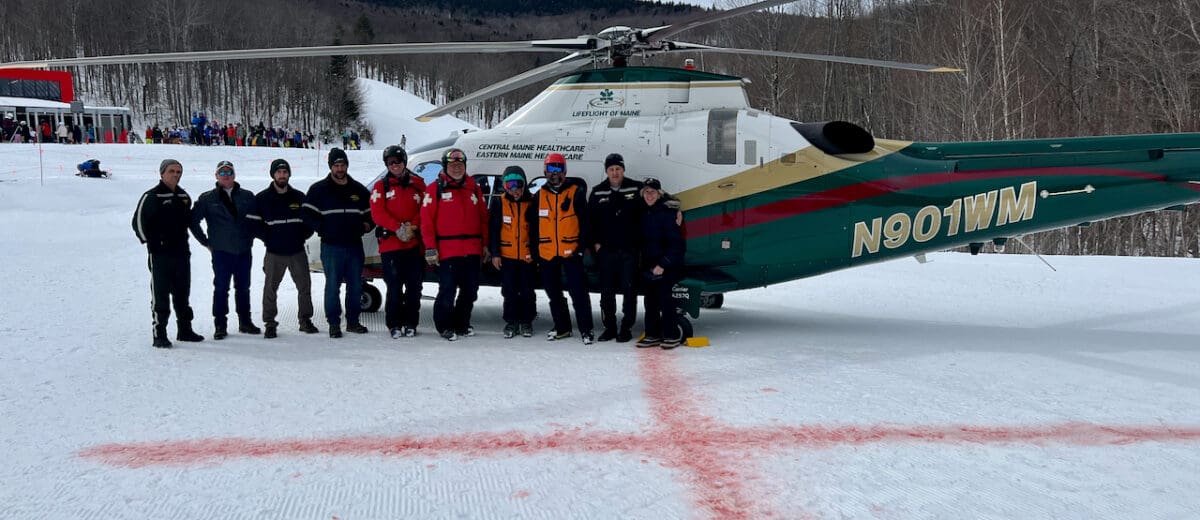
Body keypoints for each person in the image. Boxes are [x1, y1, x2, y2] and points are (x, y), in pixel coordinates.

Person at [132, 159, 205, 348]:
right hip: (160, 255)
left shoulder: (183, 196)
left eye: (179, 172)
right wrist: (152, 244)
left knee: (182, 293)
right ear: (162, 173)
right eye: (171, 171)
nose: (175, 175)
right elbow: (138, 222)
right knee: (161, 294)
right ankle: (160, 333)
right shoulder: (152, 196)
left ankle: (185, 329)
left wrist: (205, 241)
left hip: (182, 253)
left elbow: (189, 222)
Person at [303, 148, 374, 338]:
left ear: (347, 166)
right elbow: (307, 214)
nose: (340, 169)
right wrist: (322, 227)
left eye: (342, 165)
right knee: (333, 286)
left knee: (355, 286)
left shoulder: (358, 190)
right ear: (331, 167)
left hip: (354, 245)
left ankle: (353, 322)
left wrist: (367, 225)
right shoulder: (319, 190)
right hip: (331, 246)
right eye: (336, 165)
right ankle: (334, 323)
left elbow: (371, 214)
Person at [420, 148, 489, 341]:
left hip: (472, 250)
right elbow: (426, 221)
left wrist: (485, 244)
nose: (457, 168)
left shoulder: (474, 188)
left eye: (460, 165)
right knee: (447, 290)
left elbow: (484, 219)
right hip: (447, 251)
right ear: (445, 167)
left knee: (470, 291)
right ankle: (444, 325)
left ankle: (462, 324)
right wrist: (430, 247)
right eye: (452, 165)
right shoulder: (435, 189)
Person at [246, 159, 320, 338]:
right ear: (273, 175)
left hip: (297, 251)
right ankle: (270, 323)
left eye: (285, 172)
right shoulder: (262, 198)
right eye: (278, 172)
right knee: (270, 289)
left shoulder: (299, 197)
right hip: (274, 253)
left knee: (304, 288)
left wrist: (301, 235)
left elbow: (310, 221)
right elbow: (253, 223)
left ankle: (305, 320)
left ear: (289, 174)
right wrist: (268, 238)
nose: (282, 175)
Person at [189, 161, 261, 339]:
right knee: (221, 288)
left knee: (243, 287)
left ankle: (245, 322)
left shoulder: (247, 196)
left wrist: (252, 236)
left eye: (229, 172)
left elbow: (257, 219)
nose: (226, 175)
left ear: (234, 175)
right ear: (216, 176)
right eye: (222, 172)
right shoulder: (207, 198)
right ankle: (220, 325)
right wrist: (205, 242)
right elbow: (192, 221)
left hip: (243, 250)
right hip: (221, 252)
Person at [533, 153, 594, 344]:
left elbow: (586, 224)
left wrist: (581, 248)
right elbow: (533, 227)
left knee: (578, 293)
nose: (555, 173)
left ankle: (586, 329)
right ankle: (562, 327)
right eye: (551, 169)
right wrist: (536, 253)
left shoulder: (576, 192)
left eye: (558, 168)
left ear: (565, 171)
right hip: (547, 254)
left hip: (571, 252)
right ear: (545, 172)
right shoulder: (539, 196)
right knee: (554, 293)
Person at [370, 145, 427, 339]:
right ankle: (394, 323)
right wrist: (397, 227)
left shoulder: (418, 183)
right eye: (391, 162)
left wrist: (412, 226)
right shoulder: (381, 186)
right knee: (394, 287)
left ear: (404, 162)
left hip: (413, 245)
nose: (395, 165)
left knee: (414, 287)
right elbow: (377, 213)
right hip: (391, 245)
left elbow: (425, 209)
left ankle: (411, 322)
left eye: (398, 161)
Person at [587, 153, 643, 343]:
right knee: (607, 292)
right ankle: (609, 328)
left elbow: (657, 198)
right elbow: (589, 222)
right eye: (611, 169)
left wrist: (675, 210)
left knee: (629, 291)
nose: (615, 172)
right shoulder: (598, 192)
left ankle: (626, 328)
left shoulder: (636, 188)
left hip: (629, 251)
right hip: (607, 252)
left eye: (618, 169)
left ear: (623, 170)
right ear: (607, 172)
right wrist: (596, 245)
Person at [636, 178, 686, 349]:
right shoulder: (643, 212)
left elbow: (677, 245)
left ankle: (671, 334)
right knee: (650, 301)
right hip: (649, 265)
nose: (649, 195)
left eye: (653, 192)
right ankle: (652, 334)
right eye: (646, 192)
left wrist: (663, 264)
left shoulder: (667, 213)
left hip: (667, 265)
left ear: (659, 194)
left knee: (665, 299)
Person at [488, 166, 537, 339]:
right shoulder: (499, 202)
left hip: (527, 256)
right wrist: (495, 253)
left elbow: (537, 230)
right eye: (509, 186)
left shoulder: (532, 201)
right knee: (509, 290)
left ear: (524, 184)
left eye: (518, 185)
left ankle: (526, 321)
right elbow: (494, 229)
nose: (514, 190)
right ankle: (511, 321)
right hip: (507, 255)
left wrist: (536, 253)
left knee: (527, 290)